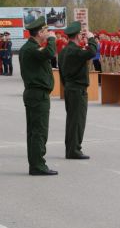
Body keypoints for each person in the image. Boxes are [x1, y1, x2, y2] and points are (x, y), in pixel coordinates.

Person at [19, 16, 58, 176]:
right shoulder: (31, 49)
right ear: (40, 32)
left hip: (34, 94)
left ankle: (35, 163)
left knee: (34, 131)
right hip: (37, 95)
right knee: (39, 131)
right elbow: (50, 53)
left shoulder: (30, 48)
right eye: (46, 31)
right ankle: (37, 165)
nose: (48, 33)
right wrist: (52, 39)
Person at [58, 21, 96, 159]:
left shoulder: (63, 52)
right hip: (78, 89)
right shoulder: (75, 51)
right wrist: (91, 38)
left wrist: (67, 84)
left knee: (71, 120)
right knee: (77, 121)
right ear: (78, 35)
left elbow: (61, 73)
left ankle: (70, 148)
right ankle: (74, 150)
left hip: (69, 87)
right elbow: (92, 51)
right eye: (81, 33)